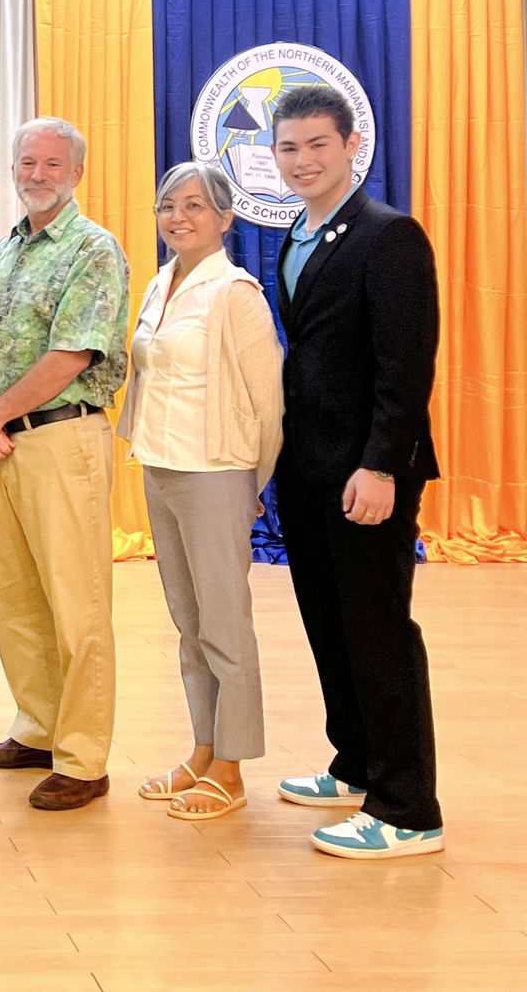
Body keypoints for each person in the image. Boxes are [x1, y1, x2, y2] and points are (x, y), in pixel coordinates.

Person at [268, 85, 444, 859]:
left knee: (377, 631)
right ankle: (356, 762)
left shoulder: (388, 235)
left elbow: (405, 368)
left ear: (350, 147)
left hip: (365, 473)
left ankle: (407, 807)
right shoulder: (298, 234)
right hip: (308, 469)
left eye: (317, 145)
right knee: (328, 624)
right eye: (288, 148)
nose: (303, 160)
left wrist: (382, 466)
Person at [0, 117, 128, 811]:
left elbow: (74, 354)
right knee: (16, 598)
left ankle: (84, 757)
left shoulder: (94, 250)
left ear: (76, 173)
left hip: (64, 441)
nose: (37, 173)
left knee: (76, 603)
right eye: (27, 161)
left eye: (51, 163)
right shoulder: (4, 250)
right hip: (2, 444)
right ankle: (38, 729)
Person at [116, 162, 282, 821]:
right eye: (168, 205)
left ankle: (234, 769)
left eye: (194, 205)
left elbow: (268, 403)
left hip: (216, 474)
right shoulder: (161, 283)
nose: (178, 216)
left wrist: (251, 483)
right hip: (161, 467)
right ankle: (204, 748)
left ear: (224, 218)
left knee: (225, 625)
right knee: (189, 624)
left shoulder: (234, 292)